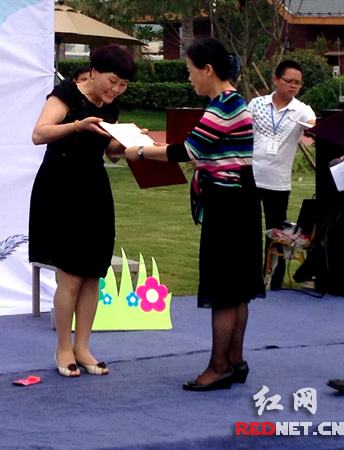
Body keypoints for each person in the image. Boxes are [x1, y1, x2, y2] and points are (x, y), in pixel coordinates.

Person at [126, 38, 264, 391]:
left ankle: (218, 367)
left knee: (223, 287)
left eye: (190, 71)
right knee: (238, 288)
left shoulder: (223, 107)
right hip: (241, 199)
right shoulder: (234, 102)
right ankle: (235, 360)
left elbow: (187, 151)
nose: (189, 78)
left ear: (208, 70)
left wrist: (140, 151)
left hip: (227, 204)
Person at [29, 45, 135, 377]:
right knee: (72, 274)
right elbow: (39, 133)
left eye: (122, 85)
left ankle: (83, 347)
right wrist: (77, 125)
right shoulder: (66, 94)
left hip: (94, 188)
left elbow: (108, 150)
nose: (115, 90)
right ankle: (63, 347)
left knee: (93, 273)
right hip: (61, 187)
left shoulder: (111, 106)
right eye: (112, 81)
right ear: (93, 72)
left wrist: (129, 143)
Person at [249, 60, 316, 290]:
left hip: (278, 181)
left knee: (276, 232)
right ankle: (249, 277)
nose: (293, 86)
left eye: (298, 83)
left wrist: (312, 128)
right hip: (252, 174)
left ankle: (273, 279)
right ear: (276, 80)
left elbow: (313, 126)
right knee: (249, 229)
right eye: (289, 81)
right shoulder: (257, 104)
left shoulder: (302, 109)